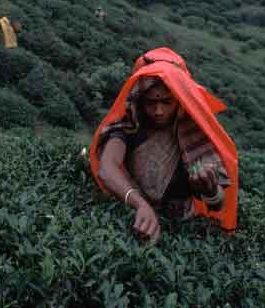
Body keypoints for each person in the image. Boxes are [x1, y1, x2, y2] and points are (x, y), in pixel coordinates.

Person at [89, 48, 238, 244]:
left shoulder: (194, 136)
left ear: (179, 99)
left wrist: (210, 191)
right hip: (131, 219)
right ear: (140, 101)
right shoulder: (129, 125)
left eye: (167, 102)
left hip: (181, 232)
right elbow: (107, 168)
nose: (158, 111)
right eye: (151, 102)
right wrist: (140, 205)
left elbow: (217, 204)